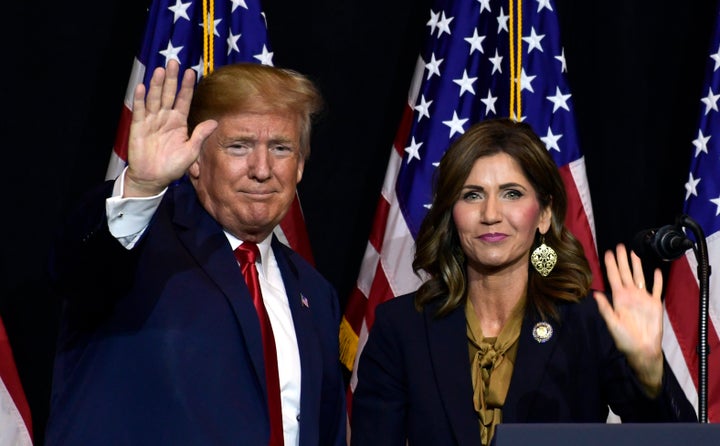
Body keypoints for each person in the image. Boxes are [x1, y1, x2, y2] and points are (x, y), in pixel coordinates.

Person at [45, 60, 346, 445]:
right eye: (239, 146)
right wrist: (140, 186)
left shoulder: (316, 295)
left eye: (281, 148)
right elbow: (76, 271)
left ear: (301, 165)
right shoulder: (138, 242)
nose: (262, 169)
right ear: (196, 160)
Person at [350, 119, 697, 446]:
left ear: (544, 214)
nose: (490, 214)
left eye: (511, 193)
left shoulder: (590, 321)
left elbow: (676, 443)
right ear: (451, 214)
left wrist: (651, 374)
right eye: (472, 194)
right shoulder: (401, 327)